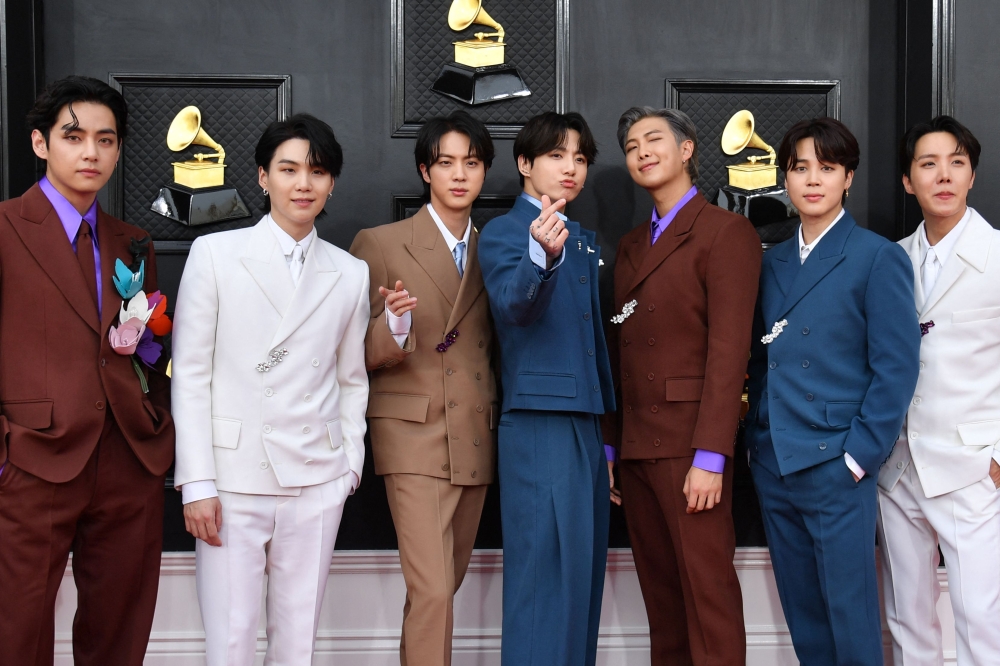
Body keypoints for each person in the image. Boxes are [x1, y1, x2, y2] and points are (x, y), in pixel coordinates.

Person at [171, 114, 369, 665]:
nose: (303, 183)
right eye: (288, 169)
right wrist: (196, 482)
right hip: (232, 481)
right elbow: (190, 373)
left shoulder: (350, 272)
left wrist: (349, 463)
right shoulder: (215, 254)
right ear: (262, 177)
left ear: (331, 183)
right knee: (230, 642)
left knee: (297, 642)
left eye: (317, 171)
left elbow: (352, 379)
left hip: (317, 477)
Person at [0, 75, 175, 666]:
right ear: (40, 144)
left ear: (119, 150)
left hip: (128, 457)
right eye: (74, 137)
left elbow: (146, 348)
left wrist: (156, 426)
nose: (91, 152)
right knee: (16, 631)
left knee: (119, 632)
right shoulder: (3, 228)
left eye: (106, 139)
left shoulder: (134, 242)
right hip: (30, 460)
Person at [745, 117, 920, 666]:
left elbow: (897, 368)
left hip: (836, 461)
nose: (812, 180)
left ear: (848, 178)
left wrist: (857, 458)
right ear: (786, 179)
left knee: (850, 616)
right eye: (800, 168)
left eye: (827, 168)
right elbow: (756, 360)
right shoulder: (768, 261)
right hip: (775, 461)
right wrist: (757, 445)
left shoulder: (876, 255)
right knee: (804, 614)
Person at [604, 106, 760, 665]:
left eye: (654, 140)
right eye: (630, 146)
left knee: (708, 600)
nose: (642, 151)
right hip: (638, 449)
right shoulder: (628, 246)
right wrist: (610, 443)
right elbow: (616, 344)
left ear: (688, 149)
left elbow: (729, 354)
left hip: (693, 449)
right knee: (663, 605)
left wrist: (712, 456)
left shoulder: (726, 232)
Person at [349, 110, 498, 666]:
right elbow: (352, 354)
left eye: (473, 162)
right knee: (434, 592)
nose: (460, 174)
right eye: (446, 162)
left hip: (476, 437)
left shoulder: (499, 248)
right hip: (413, 436)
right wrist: (395, 327)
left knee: (441, 592)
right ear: (424, 170)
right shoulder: (382, 243)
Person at [477, 111, 615, 666]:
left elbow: (594, 341)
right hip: (536, 423)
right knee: (541, 584)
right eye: (557, 155)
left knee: (581, 581)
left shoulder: (584, 238)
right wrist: (541, 256)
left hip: (584, 426)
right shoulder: (507, 233)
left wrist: (605, 441)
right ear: (525, 164)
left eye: (580, 158)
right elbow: (515, 306)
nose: (571, 168)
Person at [876, 115, 1000, 666]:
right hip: (898, 468)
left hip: (973, 467)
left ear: (972, 175)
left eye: (956, 162)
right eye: (928, 164)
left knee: (982, 620)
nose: (943, 175)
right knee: (908, 621)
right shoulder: (890, 259)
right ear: (908, 181)